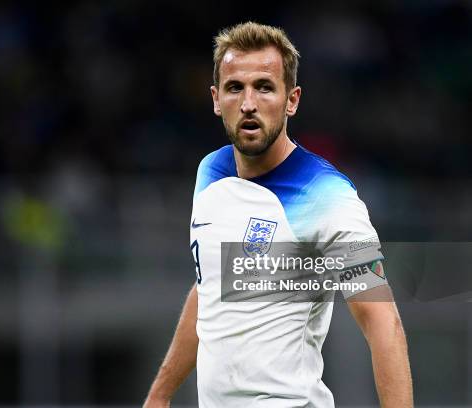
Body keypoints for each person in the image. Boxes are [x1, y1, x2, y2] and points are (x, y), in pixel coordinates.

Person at [143, 22, 413, 407]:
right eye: (236, 88)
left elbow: (383, 322)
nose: (249, 103)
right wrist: (159, 395)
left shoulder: (329, 196)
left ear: (292, 100)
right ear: (217, 99)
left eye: (264, 87)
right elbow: (211, 289)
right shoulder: (210, 174)